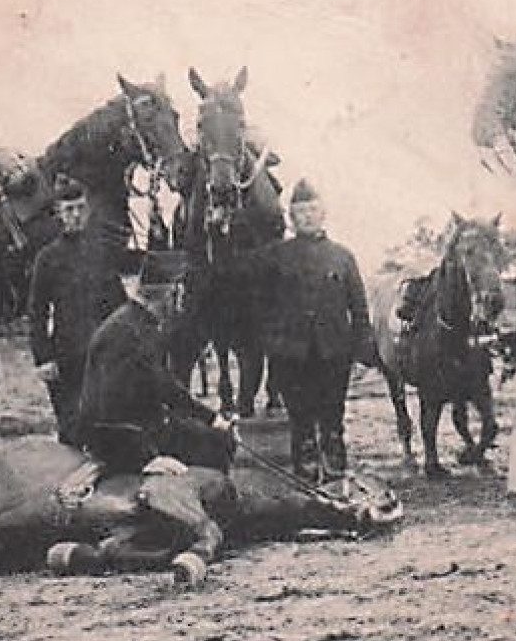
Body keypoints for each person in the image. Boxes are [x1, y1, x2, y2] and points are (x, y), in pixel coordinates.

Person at [74, 253, 234, 478]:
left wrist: (212, 418)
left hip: (139, 428)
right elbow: (108, 410)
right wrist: (146, 459)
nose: (182, 301)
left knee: (216, 438)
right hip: (121, 442)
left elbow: (163, 385)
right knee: (215, 447)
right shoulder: (127, 335)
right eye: (180, 292)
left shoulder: (138, 324)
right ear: (171, 293)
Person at [262, 179, 378, 482]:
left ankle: (336, 471)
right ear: (292, 217)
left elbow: (360, 307)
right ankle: (305, 474)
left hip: (333, 353)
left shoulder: (342, 256)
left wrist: (363, 351)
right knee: (300, 417)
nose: (308, 216)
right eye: (301, 212)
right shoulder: (276, 256)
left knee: (332, 415)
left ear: (323, 213)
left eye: (313, 210)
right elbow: (262, 306)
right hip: (292, 354)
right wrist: (273, 344)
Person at [27, 189, 125, 444]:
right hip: (66, 357)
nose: (76, 215)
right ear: (59, 214)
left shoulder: (102, 253)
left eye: (81, 208)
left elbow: (119, 304)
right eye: (69, 210)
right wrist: (43, 358)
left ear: (88, 210)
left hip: (102, 354)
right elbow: (37, 313)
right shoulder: (46, 259)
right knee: (71, 430)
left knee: (105, 425)